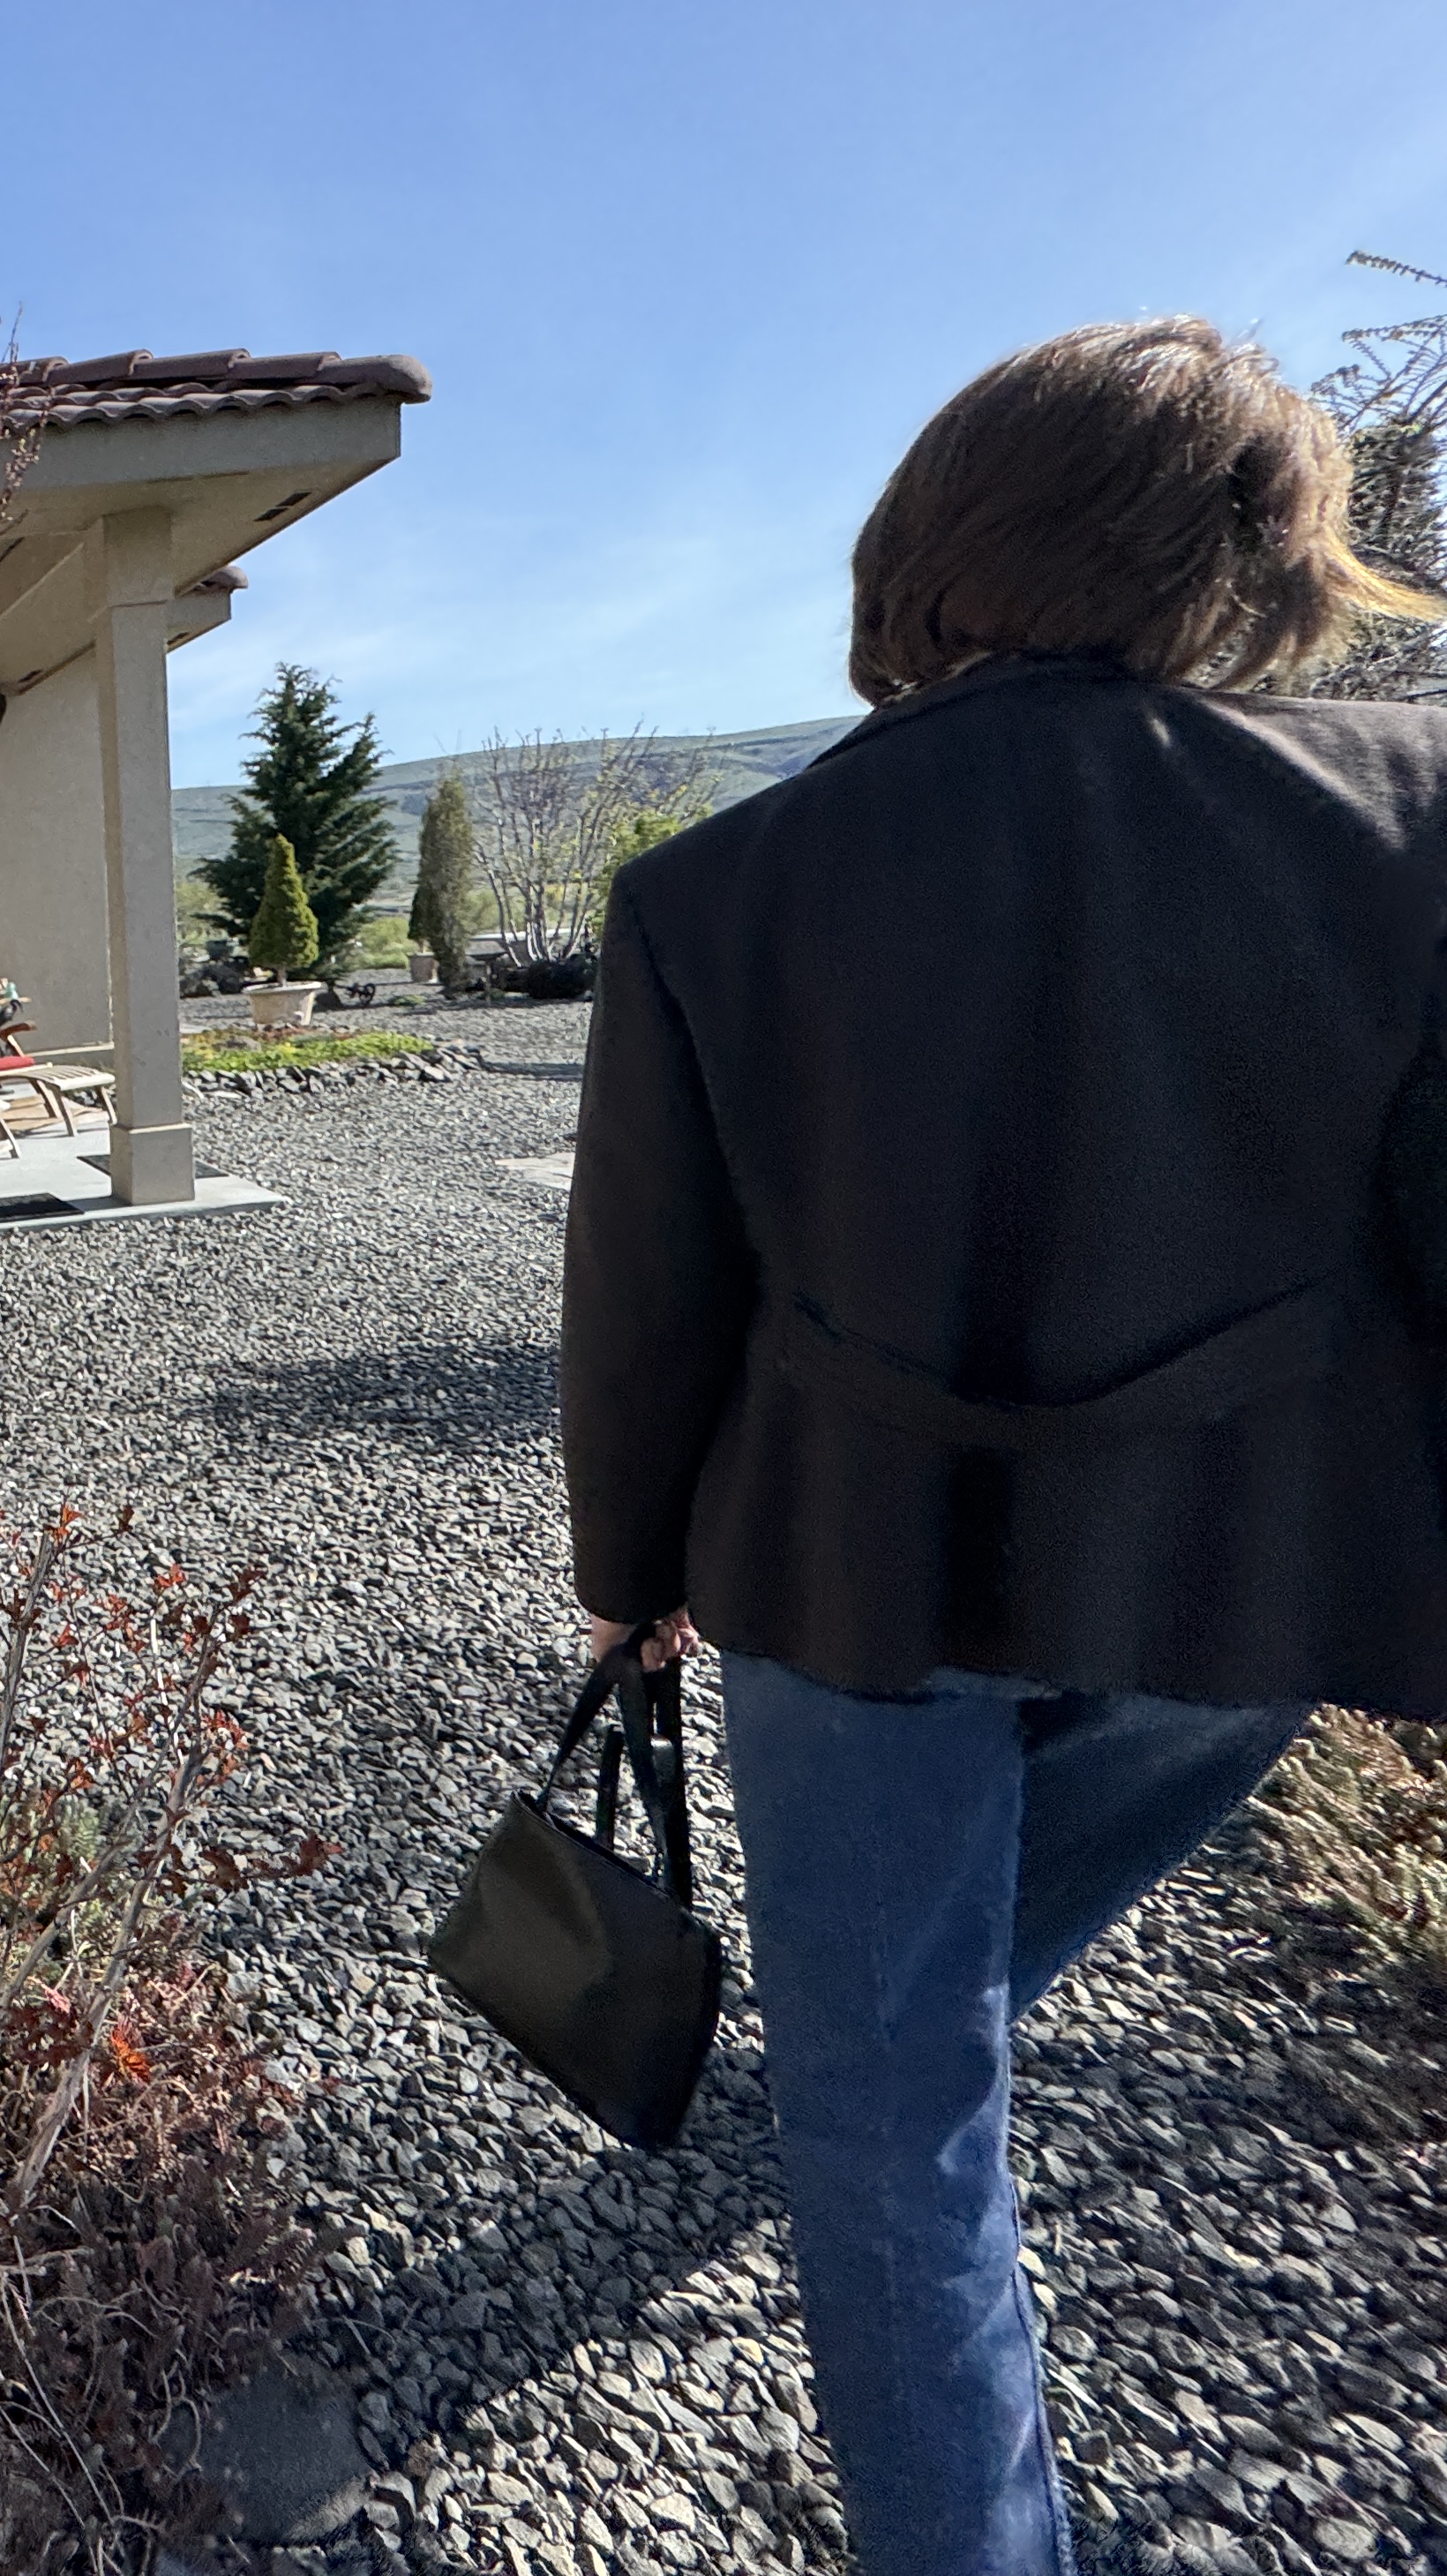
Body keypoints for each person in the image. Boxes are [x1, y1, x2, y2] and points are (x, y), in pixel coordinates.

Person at [562, 319, 1447, 2574]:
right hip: (1240, 1571)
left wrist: (629, 1573)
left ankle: (882, 2062)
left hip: (846, 1566)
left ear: (935, 540)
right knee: (922, 2026)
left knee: (895, 2133)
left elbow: (654, 1295)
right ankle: (888, 2028)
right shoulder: (1405, 818)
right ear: (1253, 551)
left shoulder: (720, 887)